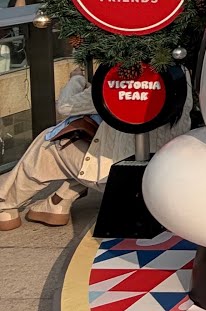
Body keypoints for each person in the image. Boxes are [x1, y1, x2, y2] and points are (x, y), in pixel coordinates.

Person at [0, 66, 193, 231]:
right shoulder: (180, 72)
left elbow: (66, 107)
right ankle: (58, 202)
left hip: (118, 176)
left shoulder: (121, 72)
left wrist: (76, 79)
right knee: (95, 144)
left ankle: (5, 204)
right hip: (164, 170)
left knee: (48, 142)